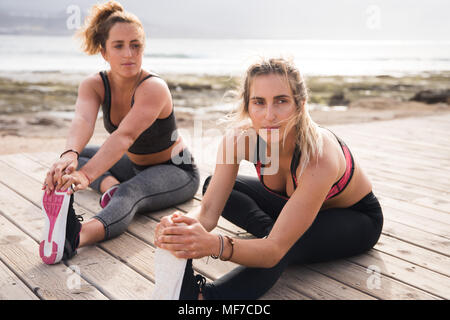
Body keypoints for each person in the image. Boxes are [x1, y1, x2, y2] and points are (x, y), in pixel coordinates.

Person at [154, 58, 383, 299]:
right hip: (293, 207)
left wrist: (215, 244)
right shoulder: (240, 140)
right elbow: (209, 211)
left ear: (300, 105)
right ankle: (273, 230)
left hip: (356, 218)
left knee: (285, 246)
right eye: (259, 102)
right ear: (247, 105)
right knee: (218, 186)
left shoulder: (318, 156)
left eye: (281, 101)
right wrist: (178, 226)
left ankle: (204, 298)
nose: (269, 115)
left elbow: (274, 251)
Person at [40, 0, 199, 265]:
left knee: (130, 191)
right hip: (135, 164)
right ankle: (108, 185)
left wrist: (85, 175)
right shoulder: (94, 84)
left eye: (136, 45)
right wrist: (69, 156)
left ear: (143, 48)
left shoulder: (153, 88)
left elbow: (124, 136)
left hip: (176, 170)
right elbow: (82, 119)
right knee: (80, 157)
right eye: (119, 46)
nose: (129, 53)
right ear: (104, 52)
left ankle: (74, 237)